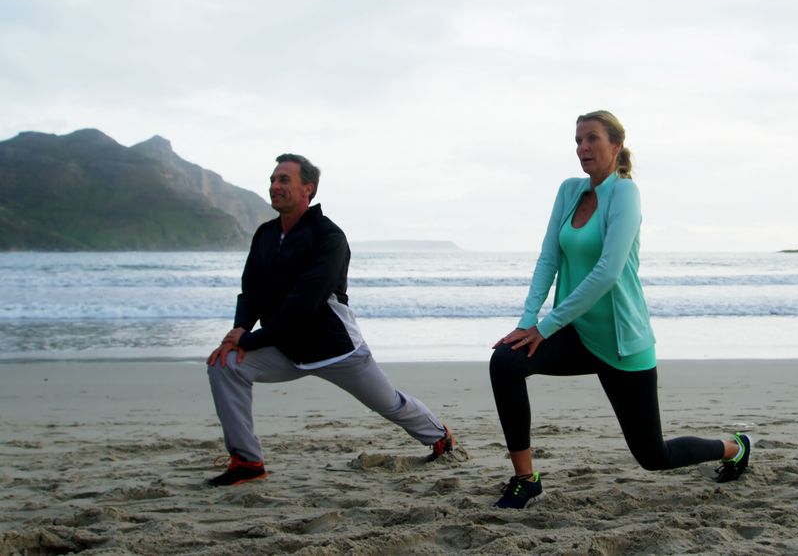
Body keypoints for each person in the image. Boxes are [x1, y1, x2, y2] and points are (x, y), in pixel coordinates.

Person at [488, 111, 751, 509]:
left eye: (592, 138)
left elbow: (607, 273)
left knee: (652, 456)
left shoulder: (625, 193)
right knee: (506, 362)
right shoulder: (569, 191)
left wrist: (546, 325)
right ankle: (526, 479)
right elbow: (548, 259)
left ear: (615, 146)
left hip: (621, 341)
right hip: (575, 331)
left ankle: (734, 447)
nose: (583, 148)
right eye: (577, 140)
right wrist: (527, 324)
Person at [205, 153, 454, 487]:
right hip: (283, 346)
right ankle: (247, 461)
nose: (275, 186)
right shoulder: (265, 235)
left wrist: (249, 341)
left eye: (284, 180)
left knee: (389, 403)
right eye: (273, 179)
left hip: (336, 348)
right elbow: (251, 291)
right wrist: (239, 330)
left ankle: (439, 435)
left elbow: (303, 304)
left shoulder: (329, 237)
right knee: (225, 365)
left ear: (308, 189)